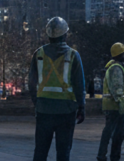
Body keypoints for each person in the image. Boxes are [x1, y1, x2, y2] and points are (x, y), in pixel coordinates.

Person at [30, 16, 86, 161]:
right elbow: (79, 84)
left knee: (40, 151)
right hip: (66, 110)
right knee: (63, 151)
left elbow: (31, 83)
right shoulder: (73, 55)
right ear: (65, 35)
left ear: (48, 35)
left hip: (44, 110)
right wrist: (81, 107)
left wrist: (37, 103)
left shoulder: (38, 54)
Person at [98, 41, 124, 161]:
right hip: (115, 106)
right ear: (120, 55)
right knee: (116, 134)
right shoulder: (116, 68)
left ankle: (103, 155)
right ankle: (112, 157)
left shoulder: (112, 67)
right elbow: (118, 90)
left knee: (109, 132)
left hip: (111, 105)